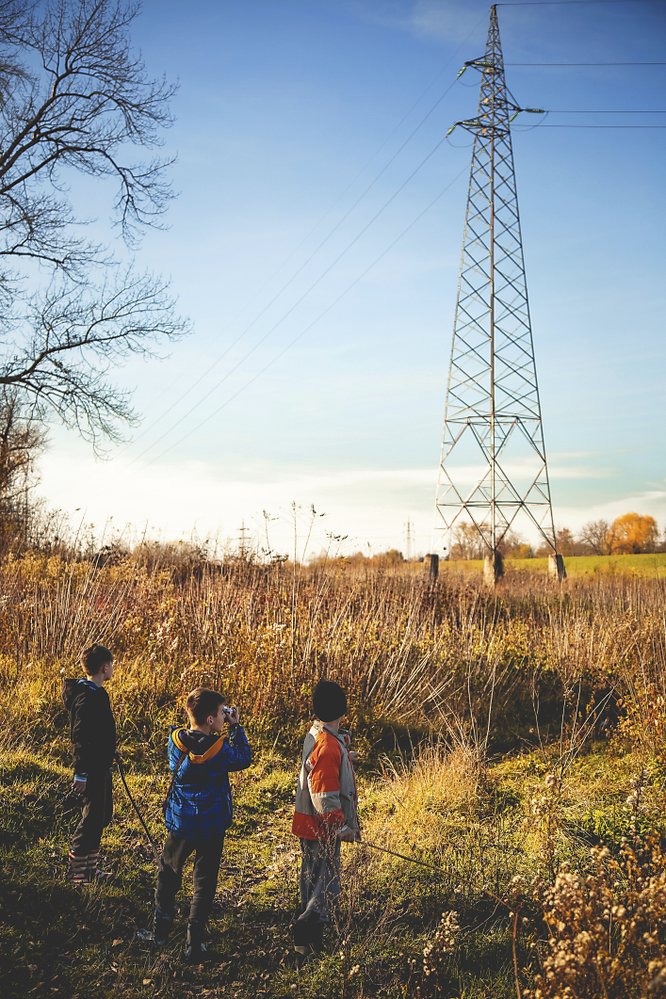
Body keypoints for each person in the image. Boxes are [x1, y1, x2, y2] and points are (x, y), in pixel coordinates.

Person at [139, 687, 252, 962]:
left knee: (168, 874)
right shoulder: (222, 750)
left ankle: (160, 931)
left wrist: (215, 719)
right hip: (212, 824)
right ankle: (194, 942)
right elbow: (244, 758)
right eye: (221, 714)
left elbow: (192, 740)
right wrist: (236, 728)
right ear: (211, 720)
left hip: (182, 822)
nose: (225, 718)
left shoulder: (174, 742)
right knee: (204, 881)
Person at [291, 678, 360, 959]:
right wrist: (340, 826)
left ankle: (304, 944)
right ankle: (306, 933)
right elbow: (323, 793)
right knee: (326, 886)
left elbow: (322, 763)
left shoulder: (319, 736)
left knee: (312, 880)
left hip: (311, 827)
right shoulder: (329, 747)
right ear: (343, 711)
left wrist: (345, 755)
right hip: (323, 829)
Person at [62, 643, 117, 884]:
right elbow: (81, 738)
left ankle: (90, 867)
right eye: (112, 665)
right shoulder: (86, 697)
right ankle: (77, 870)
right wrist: (81, 773)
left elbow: (101, 732)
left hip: (102, 764)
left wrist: (110, 751)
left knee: (102, 815)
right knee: (91, 817)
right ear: (104, 667)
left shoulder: (98, 693)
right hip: (90, 768)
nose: (113, 669)